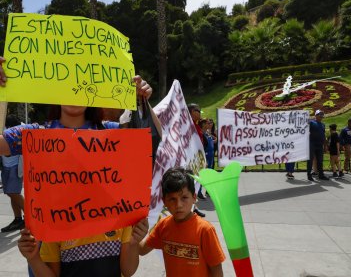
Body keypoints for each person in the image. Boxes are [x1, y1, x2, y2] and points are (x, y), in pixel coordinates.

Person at [0, 56, 157, 277]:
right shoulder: (36, 133)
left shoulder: (110, 131)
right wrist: (1, 93)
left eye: (82, 86)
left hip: (105, 244)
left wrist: (143, 101)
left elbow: (150, 140)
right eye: (68, 86)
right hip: (48, 249)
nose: (75, 92)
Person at [139, 167, 226, 277]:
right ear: (164, 201)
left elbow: (216, 270)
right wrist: (131, 231)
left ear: (194, 197)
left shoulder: (205, 230)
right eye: (172, 199)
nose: (178, 205)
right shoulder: (163, 225)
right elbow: (141, 250)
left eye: (184, 197)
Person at [1, 114, 25, 232]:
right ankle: (18, 219)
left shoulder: (23, 129)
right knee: (11, 193)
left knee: (13, 192)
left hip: (15, 167)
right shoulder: (2, 127)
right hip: (6, 166)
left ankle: (31, 217)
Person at [187, 103, 207, 216]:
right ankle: (191, 207)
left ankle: (194, 206)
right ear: (191, 112)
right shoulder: (188, 125)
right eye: (197, 110)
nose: (199, 113)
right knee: (191, 183)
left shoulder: (196, 125)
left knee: (196, 183)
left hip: (198, 158)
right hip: (191, 159)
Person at [307, 110, 329, 181]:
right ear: (316, 115)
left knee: (320, 160)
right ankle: (309, 175)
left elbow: (323, 135)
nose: (321, 116)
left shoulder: (323, 125)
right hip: (312, 143)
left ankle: (321, 175)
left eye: (322, 115)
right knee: (310, 160)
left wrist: (325, 146)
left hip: (320, 144)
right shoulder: (311, 122)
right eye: (320, 114)